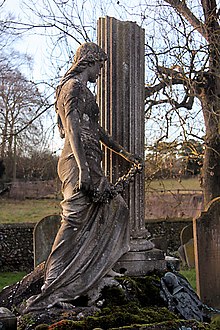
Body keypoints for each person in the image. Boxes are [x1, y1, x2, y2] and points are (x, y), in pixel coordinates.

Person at [24, 42, 142, 312]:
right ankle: (52, 285)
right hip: (76, 163)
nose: (101, 72)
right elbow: (73, 129)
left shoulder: (85, 91)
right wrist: (84, 169)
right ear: (88, 62)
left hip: (91, 160)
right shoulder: (72, 88)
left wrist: (125, 155)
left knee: (116, 211)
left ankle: (97, 269)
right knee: (73, 222)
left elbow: (96, 131)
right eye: (99, 66)